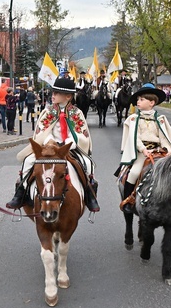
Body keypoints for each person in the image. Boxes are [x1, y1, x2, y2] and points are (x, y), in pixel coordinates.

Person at [6, 76, 100, 212]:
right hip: (49, 148)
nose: (53, 95)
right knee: (28, 160)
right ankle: (21, 192)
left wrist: (69, 143)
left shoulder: (77, 113)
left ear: (68, 96)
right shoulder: (48, 111)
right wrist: (50, 141)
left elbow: (81, 133)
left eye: (57, 93)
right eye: (53, 92)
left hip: (69, 148)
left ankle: (90, 195)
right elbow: (42, 131)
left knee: (87, 162)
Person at [118, 83, 171, 214]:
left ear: (152, 102)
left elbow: (164, 137)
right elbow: (135, 137)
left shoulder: (160, 119)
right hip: (141, 152)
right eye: (138, 100)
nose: (138, 102)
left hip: (158, 152)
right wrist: (143, 149)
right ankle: (128, 200)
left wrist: (167, 150)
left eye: (141, 99)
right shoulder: (134, 119)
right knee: (134, 173)